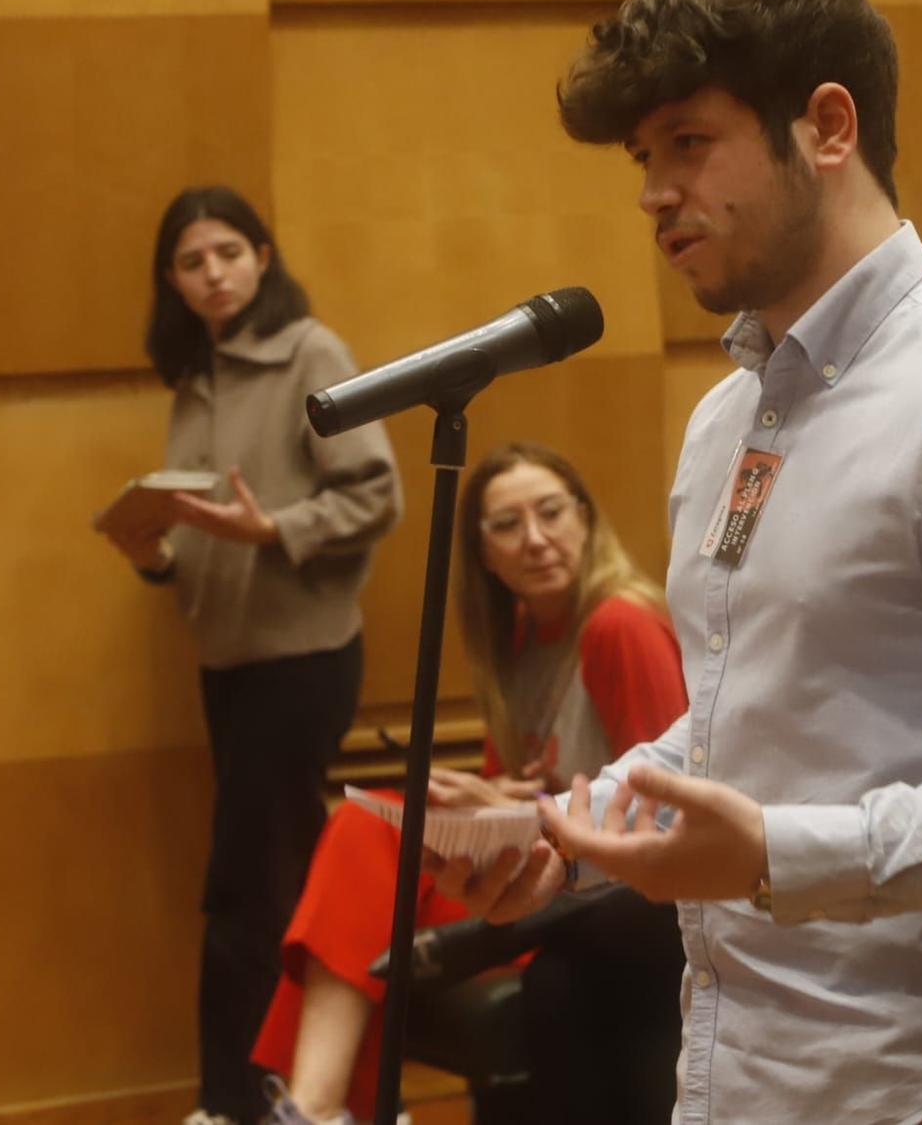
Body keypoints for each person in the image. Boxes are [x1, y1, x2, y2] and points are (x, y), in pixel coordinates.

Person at [432, 0, 922, 1125]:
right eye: (640, 159)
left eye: (687, 143)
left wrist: (783, 853)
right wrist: (577, 829)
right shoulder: (726, 420)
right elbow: (746, 716)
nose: (651, 194)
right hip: (745, 1073)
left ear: (826, 128)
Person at [253, 441, 687, 1125]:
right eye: (507, 525)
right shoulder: (517, 644)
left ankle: (315, 1108)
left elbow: (672, 806)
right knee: (363, 838)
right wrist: (492, 800)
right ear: (483, 553)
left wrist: (514, 802)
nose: (535, 539)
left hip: (602, 904)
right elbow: (509, 801)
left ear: (586, 519)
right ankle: (319, 1107)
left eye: (551, 512)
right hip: (534, 878)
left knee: (361, 833)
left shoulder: (618, 623)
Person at [100, 186, 402, 1125]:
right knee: (281, 882)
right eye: (192, 263)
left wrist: (273, 528)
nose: (213, 274)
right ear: (172, 283)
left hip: (302, 656)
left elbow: (376, 493)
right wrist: (155, 555)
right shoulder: (194, 375)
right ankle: (327, 1093)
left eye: (228, 252)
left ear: (263, 257)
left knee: (248, 887)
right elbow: (200, 528)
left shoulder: (311, 352)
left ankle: (236, 1102)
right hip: (225, 660)